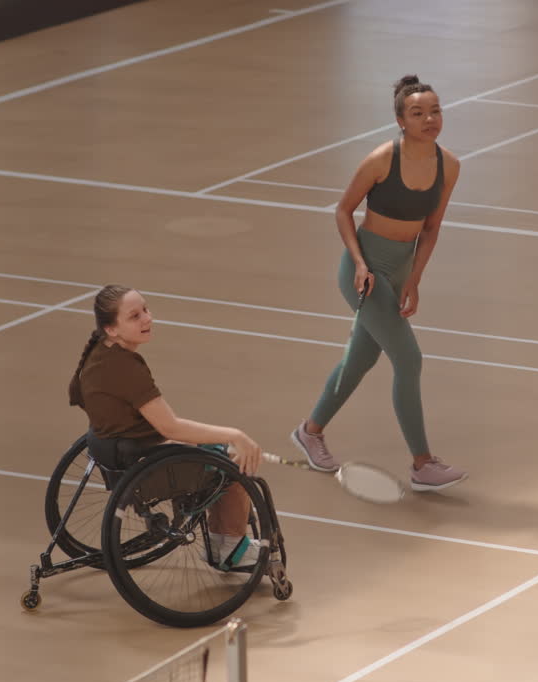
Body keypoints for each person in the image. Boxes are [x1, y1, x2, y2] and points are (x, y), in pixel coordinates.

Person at [291, 74, 468, 492]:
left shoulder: (450, 166)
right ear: (401, 120)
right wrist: (358, 264)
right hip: (365, 271)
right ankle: (422, 464)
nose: (429, 119)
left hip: (400, 269)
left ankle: (310, 431)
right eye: (418, 113)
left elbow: (431, 228)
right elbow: (343, 211)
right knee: (408, 359)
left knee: (361, 359)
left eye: (435, 111)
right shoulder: (382, 160)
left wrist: (415, 280)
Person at [67, 284, 264, 570]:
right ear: (111, 328)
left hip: (116, 447)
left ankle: (222, 539)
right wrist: (236, 434)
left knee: (212, 448)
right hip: (142, 458)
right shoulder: (126, 368)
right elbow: (170, 427)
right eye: (135, 316)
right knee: (235, 460)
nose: (147, 318)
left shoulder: (100, 352)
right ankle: (231, 548)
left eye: (145, 310)